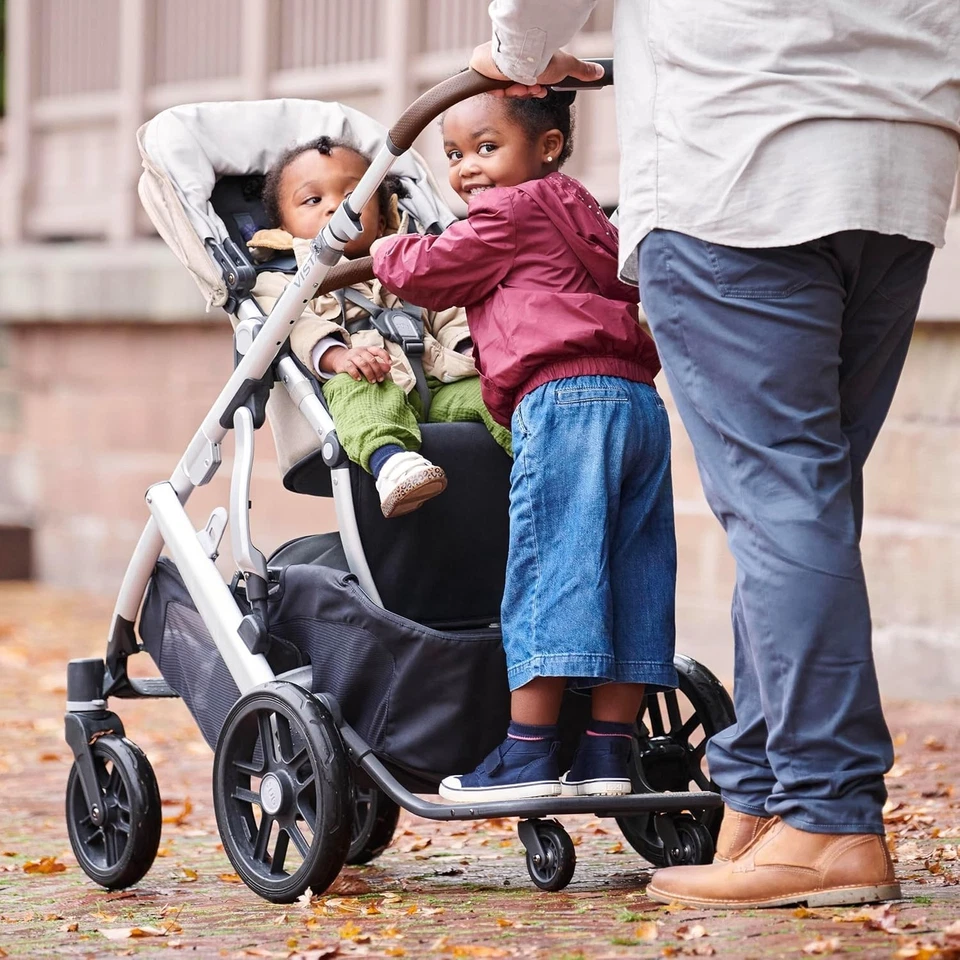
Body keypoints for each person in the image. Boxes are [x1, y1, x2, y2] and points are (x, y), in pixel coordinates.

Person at [469, 0, 960, 909]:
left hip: (741, 154)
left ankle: (827, 814)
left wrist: (520, 53)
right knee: (805, 499)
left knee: (783, 502)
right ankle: (766, 800)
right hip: (901, 153)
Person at [371, 88, 677, 801]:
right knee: (633, 571)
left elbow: (429, 272)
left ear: (546, 147)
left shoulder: (510, 210)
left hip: (564, 400)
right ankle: (606, 753)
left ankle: (529, 752)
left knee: (553, 567)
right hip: (636, 401)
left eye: (486, 147)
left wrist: (385, 246)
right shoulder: (590, 216)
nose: (468, 169)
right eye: (453, 154)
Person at [250, 135, 511, 518]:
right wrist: (338, 356)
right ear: (283, 226)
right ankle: (392, 463)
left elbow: (449, 311)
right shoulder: (280, 278)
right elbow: (295, 325)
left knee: (493, 390)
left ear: (383, 210)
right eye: (313, 200)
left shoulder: (412, 254)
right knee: (361, 392)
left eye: (355, 196)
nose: (337, 207)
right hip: (363, 378)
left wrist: (471, 350)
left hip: (437, 380)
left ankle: (541, 455)